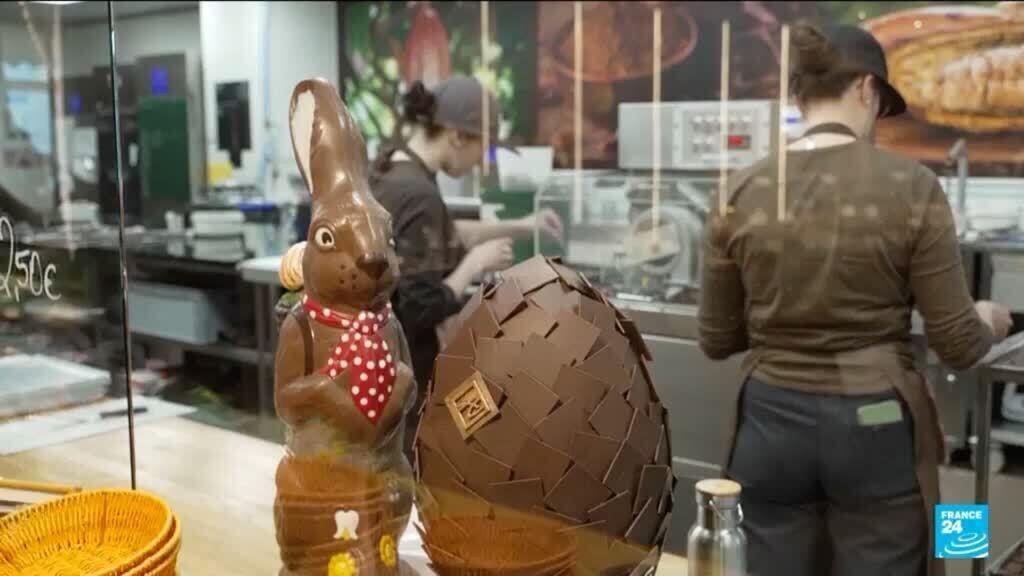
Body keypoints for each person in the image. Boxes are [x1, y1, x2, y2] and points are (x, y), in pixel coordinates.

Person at [698, 23, 1012, 576]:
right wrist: (988, 319)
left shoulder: (741, 189)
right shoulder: (912, 185)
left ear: (800, 95)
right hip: (875, 424)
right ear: (867, 90)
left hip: (768, 426)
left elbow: (717, 339)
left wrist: (784, 312)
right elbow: (959, 344)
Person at [371, 76, 562, 434]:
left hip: (375, 369)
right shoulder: (419, 193)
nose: (480, 162)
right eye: (483, 149)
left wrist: (522, 225)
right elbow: (420, 307)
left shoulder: (391, 167)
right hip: (403, 373)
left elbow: (435, 233)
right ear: (457, 136)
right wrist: (475, 263)